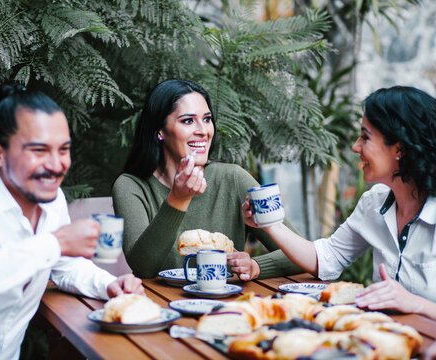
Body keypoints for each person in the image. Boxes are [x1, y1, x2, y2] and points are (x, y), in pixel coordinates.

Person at [0, 83, 145, 360]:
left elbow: (64, 266)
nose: (56, 165)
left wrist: (108, 285)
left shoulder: (52, 201)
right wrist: (57, 242)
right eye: (39, 150)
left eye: (63, 149)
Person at [242, 86, 436, 332]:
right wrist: (270, 225)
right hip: (380, 341)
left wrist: (413, 303)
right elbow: (326, 259)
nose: (355, 147)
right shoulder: (375, 202)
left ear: (399, 148)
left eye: (365, 137)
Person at [112, 79, 302, 279]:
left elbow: (301, 253)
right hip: (161, 307)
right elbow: (144, 267)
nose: (203, 131)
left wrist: (256, 266)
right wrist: (178, 200)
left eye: (207, 119)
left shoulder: (233, 179)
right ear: (160, 130)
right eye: (188, 120)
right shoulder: (131, 186)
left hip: (228, 306)